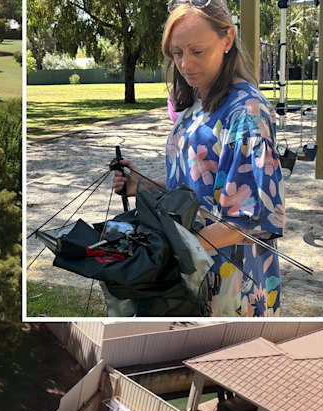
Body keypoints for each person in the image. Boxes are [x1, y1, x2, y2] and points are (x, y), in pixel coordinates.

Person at [113, 0, 285, 317]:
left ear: (228, 39)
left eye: (197, 51)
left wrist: (166, 251)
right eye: (177, 52)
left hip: (229, 285)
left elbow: (243, 223)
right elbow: (195, 189)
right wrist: (143, 186)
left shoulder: (246, 113)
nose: (185, 63)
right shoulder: (196, 104)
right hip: (188, 276)